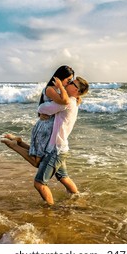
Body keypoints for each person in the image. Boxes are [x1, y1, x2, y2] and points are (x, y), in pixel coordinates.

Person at [1, 65, 75, 167]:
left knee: (39, 155)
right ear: (60, 77)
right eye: (68, 80)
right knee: (37, 162)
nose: (69, 83)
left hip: (51, 128)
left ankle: (19, 141)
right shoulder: (51, 89)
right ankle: (14, 145)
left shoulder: (60, 90)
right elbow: (65, 102)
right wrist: (62, 87)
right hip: (45, 127)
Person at [34, 76, 89, 205]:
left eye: (72, 83)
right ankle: (77, 199)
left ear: (77, 91)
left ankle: (49, 212)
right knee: (63, 177)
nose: (68, 83)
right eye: (69, 81)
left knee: (39, 183)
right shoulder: (74, 101)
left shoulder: (67, 102)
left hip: (56, 150)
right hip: (61, 147)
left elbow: (42, 108)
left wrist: (59, 87)